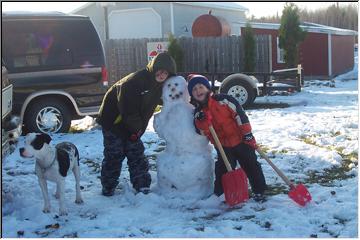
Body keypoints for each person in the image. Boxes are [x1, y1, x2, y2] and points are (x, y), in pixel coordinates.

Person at [97, 52, 176, 196]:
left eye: (166, 72)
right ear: (153, 68)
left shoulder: (159, 86)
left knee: (136, 154)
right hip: (114, 121)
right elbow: (128, 109)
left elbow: (168, 99)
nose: (162, 74)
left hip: (132, 125)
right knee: (114, 155)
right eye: (159, 70)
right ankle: (108, 186)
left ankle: (142, 185)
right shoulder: (136, 82)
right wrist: (136, 130)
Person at [187, 74, 267, 202]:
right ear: (192, 94)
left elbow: (240, 115)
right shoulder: (198, 114)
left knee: (252, 165)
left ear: (207, 88)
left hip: (241, 140)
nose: (198, 91)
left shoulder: (224, 100)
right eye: (194, 89)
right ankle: (220, 194)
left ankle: (259, 190)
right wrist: (203, 122)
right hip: (223, 146)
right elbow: (201, 132)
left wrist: (247, 134)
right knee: (223, 171)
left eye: (201, 87)